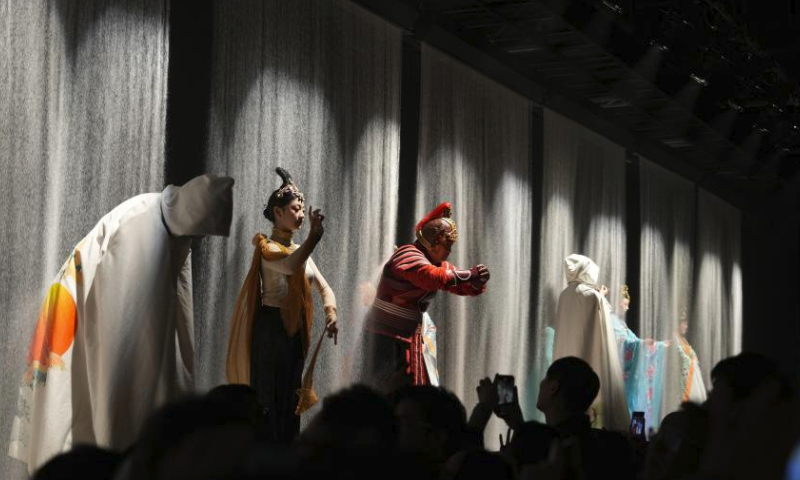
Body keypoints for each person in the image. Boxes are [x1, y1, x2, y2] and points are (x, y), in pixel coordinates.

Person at [9, 174, 234, 473]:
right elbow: (123, 353)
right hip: (69, 330)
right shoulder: (141, 230)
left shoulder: (152, 215)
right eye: (200, 234)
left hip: (66, 321)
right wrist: (132, 450)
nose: (199, 240)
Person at [226, 167, 338, 444]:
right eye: (295, 209)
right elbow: (290, 266)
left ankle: (288, 457)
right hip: (271, 328)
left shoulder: (301, 251)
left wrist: (330, 312)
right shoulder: (268, 249)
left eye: (302, 209)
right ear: (278, 212)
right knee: (268, 395)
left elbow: (324, 287)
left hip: (295, 331)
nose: (301, 215)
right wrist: (313, 237)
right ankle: (264, 459)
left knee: (291, 396)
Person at [363, 202, 489, 392]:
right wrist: (471, 274)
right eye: (449, 245)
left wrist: (477, 281)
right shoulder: (407, 255)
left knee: (408, 393)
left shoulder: (431, 261)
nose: (450, 252)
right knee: (385, 394)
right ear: (437, 242)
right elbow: (433, 278)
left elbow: (455, 283)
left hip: (406, 339)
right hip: (384, 340)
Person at [551, 255, 629, 431]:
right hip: (590, 350)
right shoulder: (591, 295)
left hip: (567, 351)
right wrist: (600, 296)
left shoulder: (564, 295)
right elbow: (604, 320)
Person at [605, 285, 669, 430]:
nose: (627, 308)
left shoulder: (621, 323)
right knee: (628, 403)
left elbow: (634, 340)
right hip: (620, 375)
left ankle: (637, 434)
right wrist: (643, 344)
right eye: (625, 304)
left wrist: (657, 345)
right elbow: (622, 342)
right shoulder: (611, 320)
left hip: (629, 375)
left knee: (636, 402)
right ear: (617, 302)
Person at [674, 311, 707, 403]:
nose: (686, 326)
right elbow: (680, 355)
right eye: (684, 323)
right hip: (682, 377)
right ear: (678, 323)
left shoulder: (683, 339)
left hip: (692, 376)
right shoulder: (673, 338)